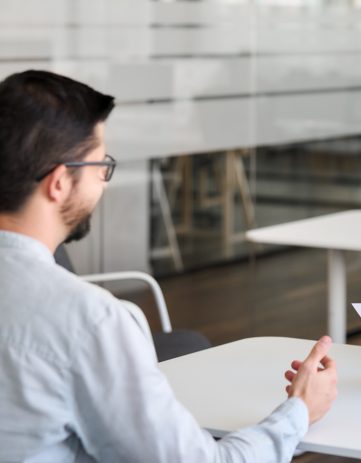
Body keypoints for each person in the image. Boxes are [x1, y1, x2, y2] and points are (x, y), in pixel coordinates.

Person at [0, 69, 337, 462]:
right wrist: (299, 410)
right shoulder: (85, 320)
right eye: (100, 167)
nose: (103, 183)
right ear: (59, 183)